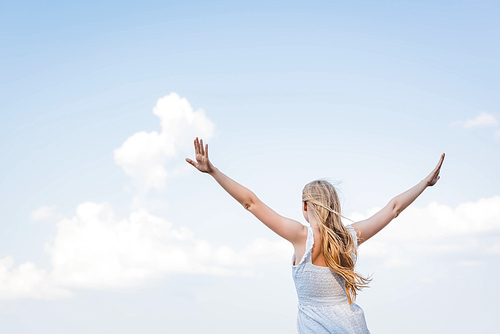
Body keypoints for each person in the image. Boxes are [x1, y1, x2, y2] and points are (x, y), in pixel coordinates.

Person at [186, 137, 445, 334]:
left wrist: (213, 171)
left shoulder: (301, 237)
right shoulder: (350, 237)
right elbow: (393, 208)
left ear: (305, 207)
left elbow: (250, 203)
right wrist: (425, 183)